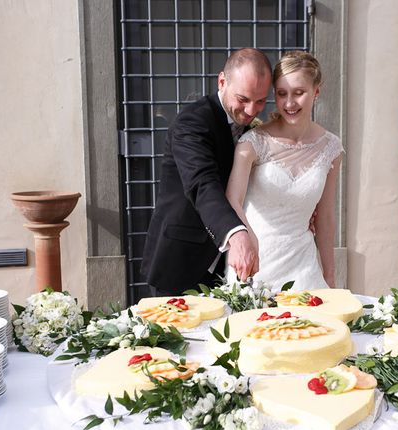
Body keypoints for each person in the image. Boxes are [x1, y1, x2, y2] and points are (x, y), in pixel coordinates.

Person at [141, 48, 272, 296]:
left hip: (230, 269)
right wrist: (235, 234)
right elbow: (203, 183)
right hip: (182, 262)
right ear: (222, 81)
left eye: (261, 100)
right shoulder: (192, 122)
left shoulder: (255, 130)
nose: (252, 110)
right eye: (243, 99)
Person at [225, 51, 344, 291]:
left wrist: (329, 275)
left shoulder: (332, 148)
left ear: (316, 91)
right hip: (256, 265)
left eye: (299, 93)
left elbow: (325, 217)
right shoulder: (253, 142)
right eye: (282, 94)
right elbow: (233, 199)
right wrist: (247, 242)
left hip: (304, 268)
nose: (289, 103)